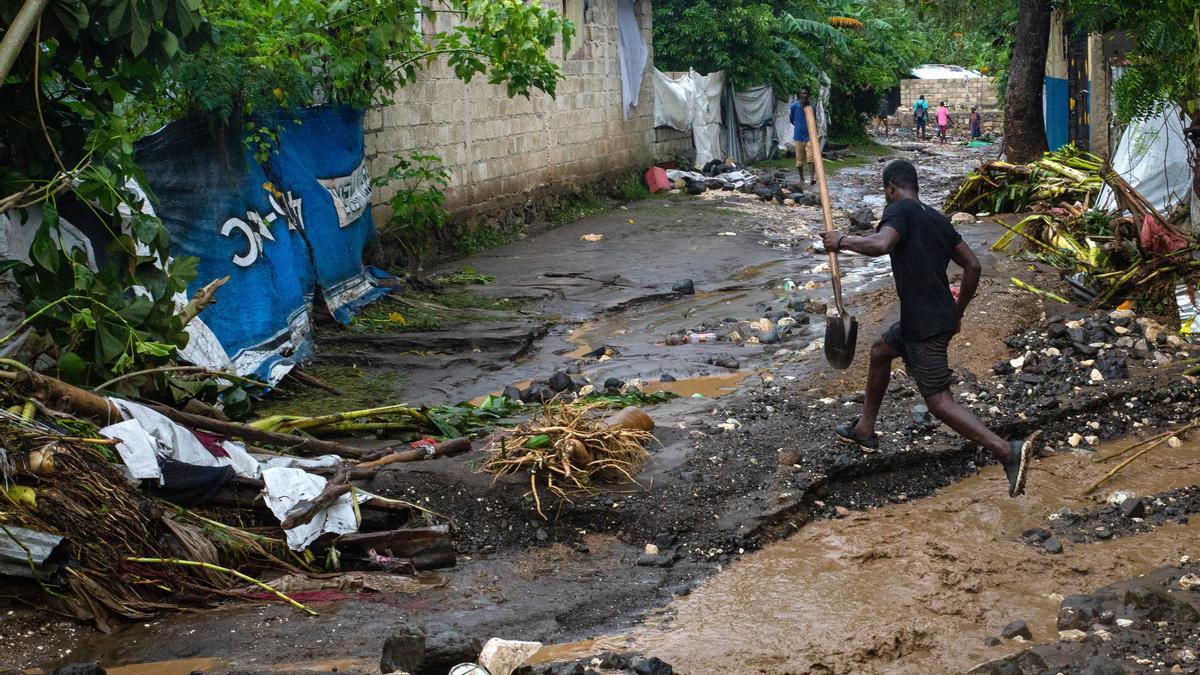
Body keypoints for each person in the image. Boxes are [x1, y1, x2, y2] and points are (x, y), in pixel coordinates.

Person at [820, 160, 1032, 497]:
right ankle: (865, 429)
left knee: (938, 401)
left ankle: (1008, 452)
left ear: (891, 188)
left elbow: (881, 245)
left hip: (924, 325)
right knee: (880, 351)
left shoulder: (899, 211)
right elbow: (972, 266)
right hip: (932, 317)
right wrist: (957, 310)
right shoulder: (936, 218)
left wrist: (840, 240)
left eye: (885, 191)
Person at [789, 87, 817, 187]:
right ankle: (801, 179)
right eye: (802, 93)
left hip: (809, 137)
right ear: (799, 95)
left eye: (806, 94)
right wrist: (798, 126)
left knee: (811, 158)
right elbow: (791, 119)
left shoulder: (811, 108)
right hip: (798, 137)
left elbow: (813, 121)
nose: (804, 95)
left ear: (809, 95)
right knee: (799, 160)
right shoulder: (794, 106)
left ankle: (812, 178)